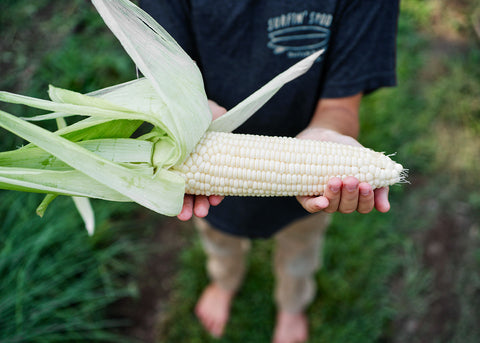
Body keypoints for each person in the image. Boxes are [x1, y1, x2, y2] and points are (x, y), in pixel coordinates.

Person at [141, 1, 399, 342]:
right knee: (220, 242)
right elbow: (164, 79)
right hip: (213, 187)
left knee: (300, 250)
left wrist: (328, 138)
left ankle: (292, 305)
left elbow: (339, 105)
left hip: (309, 191)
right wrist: (192, 113)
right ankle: (223, 282)